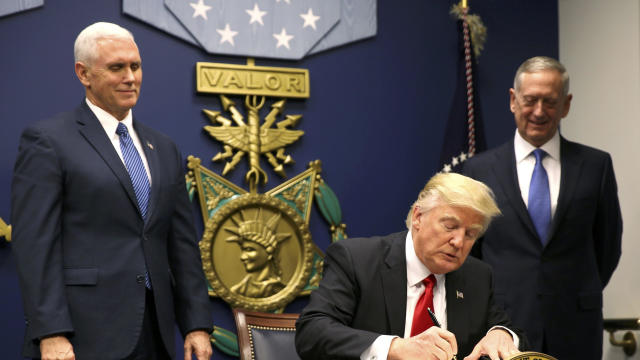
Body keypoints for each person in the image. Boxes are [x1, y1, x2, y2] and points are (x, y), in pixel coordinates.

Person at [11, 22, 213, 360]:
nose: (130, 77)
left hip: (155, 333)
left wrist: (195, 324)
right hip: (83, 335)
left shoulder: (163, 148)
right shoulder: (49, 141)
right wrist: (51, 332)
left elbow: (181, 245)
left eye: (135, 66)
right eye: (116, 67)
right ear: (84, 74)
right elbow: (36, 247)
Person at [462, 56, 622, 358]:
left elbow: (607, 247)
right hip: (503, 328)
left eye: (549, 101)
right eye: (530, 100)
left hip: (576, 326)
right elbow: (472, 254)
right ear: (513, 100)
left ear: (566, 104)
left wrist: (574, 289)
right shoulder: (477, 171)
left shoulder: (596, 166)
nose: (538, 111)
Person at [295, 172, 527, 360]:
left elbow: (509, 330)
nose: (458, 242)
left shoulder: (477, 276)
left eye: (470, 234)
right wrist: (395, 347)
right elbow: (312, 332)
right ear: (418, 217)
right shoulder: (357, 260)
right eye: (449, 226)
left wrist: (502, 335)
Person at [226, 210, 289, 297]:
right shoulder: (238, 290)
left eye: (249, 249)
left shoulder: (279, 290)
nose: (242, 257)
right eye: (243, 250)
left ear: (269, 253)